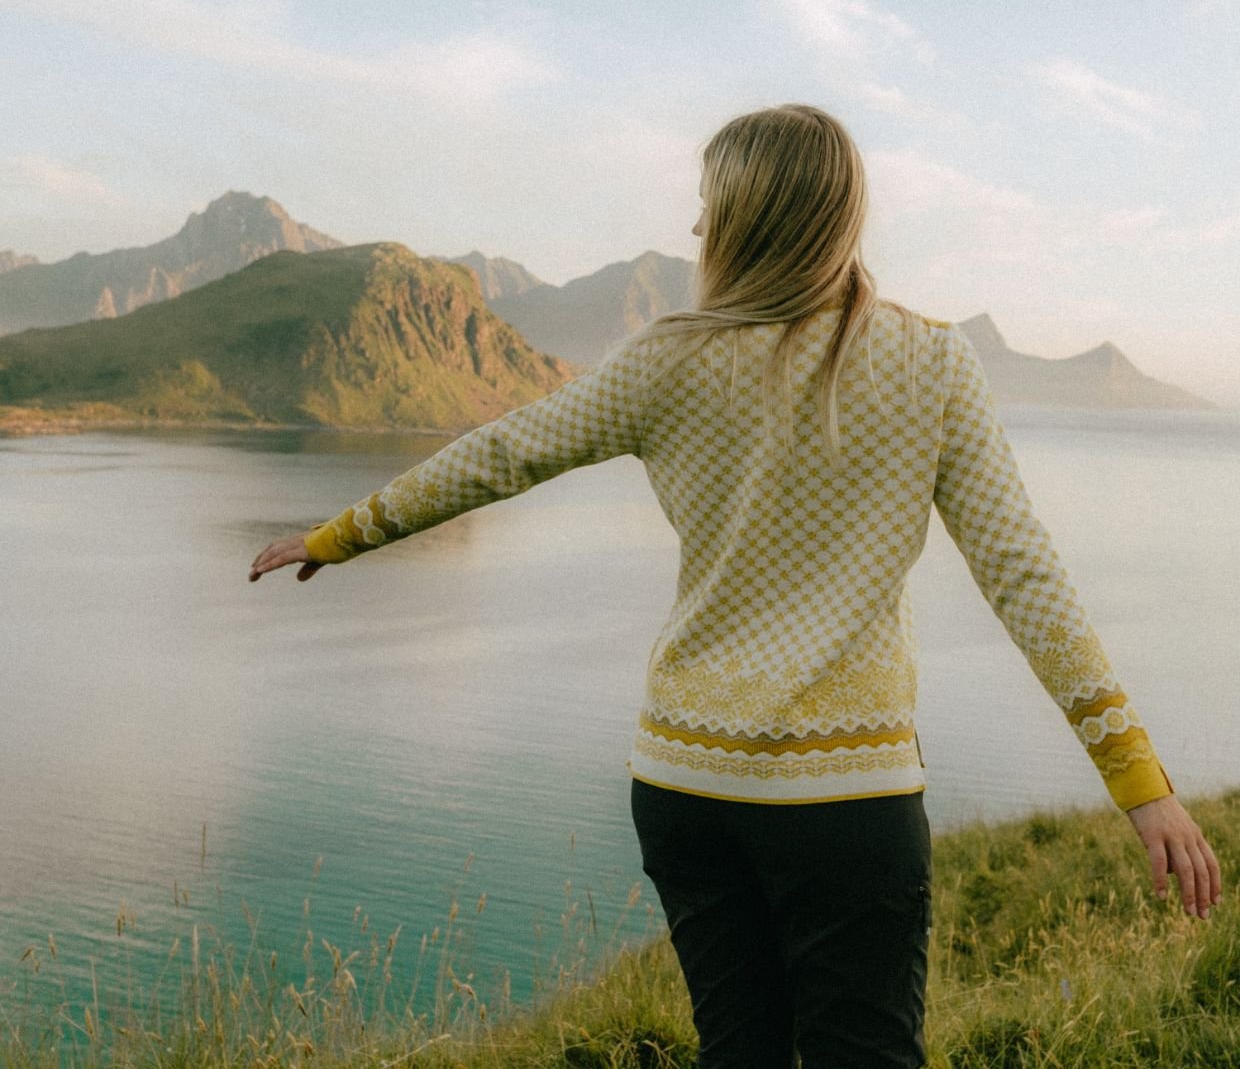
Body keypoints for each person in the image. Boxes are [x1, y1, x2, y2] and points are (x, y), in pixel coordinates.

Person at [249, 103, 1221, 1068]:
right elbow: (1024, 575)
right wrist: (1138, 782)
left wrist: (339, 535)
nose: (695, 226)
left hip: (684, 785)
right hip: (848, 801)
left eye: (708, 202)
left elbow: (502, 453)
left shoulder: (665, 360)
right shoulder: (931, 362)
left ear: (750, 216)